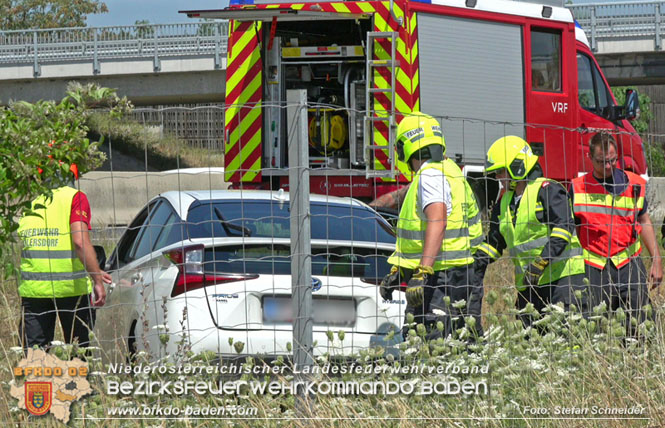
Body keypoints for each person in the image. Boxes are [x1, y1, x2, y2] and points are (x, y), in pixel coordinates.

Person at [378, 112, 482, 340]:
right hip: (459, 273)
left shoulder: (430, 175)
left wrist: (423, 270)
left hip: (438, 279)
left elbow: (437, 220)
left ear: (405, 148)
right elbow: (473, 233)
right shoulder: (453, 173)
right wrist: (401, 271)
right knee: (458, 341)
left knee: (429, 343)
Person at [474, 136, 587, 327]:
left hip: (563, 281)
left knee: (567, 341)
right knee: (531, 344)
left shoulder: (548, 190)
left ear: (517, 166)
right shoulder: (504, 203)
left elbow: (563, 230)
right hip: (529, 286)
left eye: (500, 171)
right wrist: (472, 263)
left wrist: (541, 262)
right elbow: (494, 244)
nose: (498, 177)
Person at [571, 132, 662, 334]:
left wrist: (656, 260)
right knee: (596, 327)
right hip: (594, 268)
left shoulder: (634, 185)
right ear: (589, 157)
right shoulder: (577, 189)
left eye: (612, 160)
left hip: (629, 265)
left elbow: (644, 220)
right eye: (601, 161)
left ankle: (639, 361)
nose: (608, 166)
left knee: (641, 324)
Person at [18, 163, 112, 350]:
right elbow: (80, 242)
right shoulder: (75, 197)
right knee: (78, 353)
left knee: (35, 357)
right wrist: (97, 280)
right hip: (72, 289)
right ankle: (77, 380)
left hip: (34, 289)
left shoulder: (30, 200)